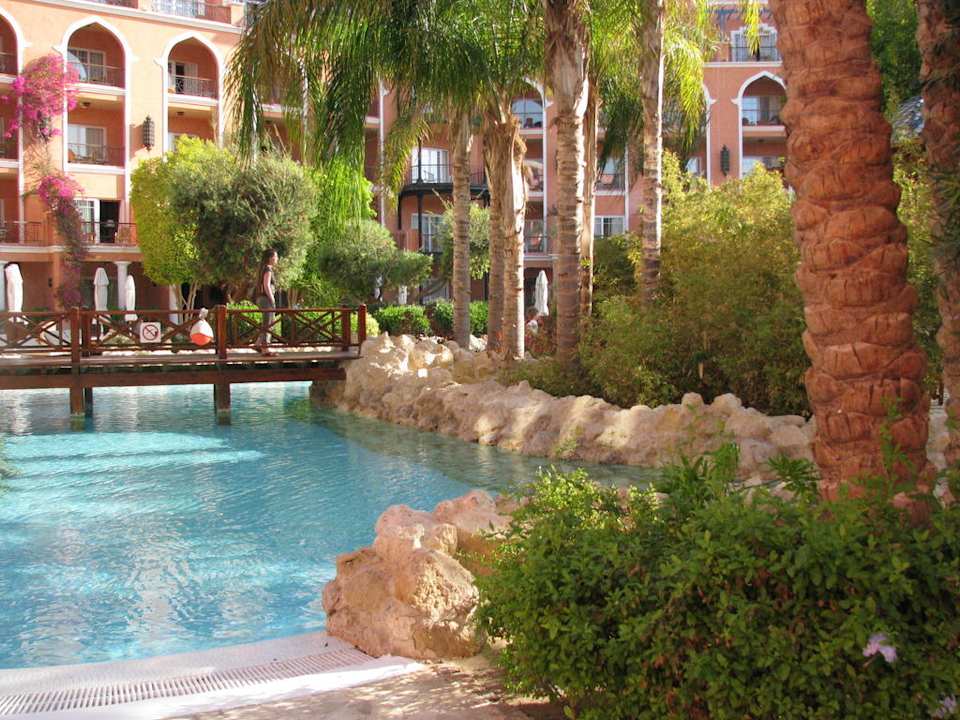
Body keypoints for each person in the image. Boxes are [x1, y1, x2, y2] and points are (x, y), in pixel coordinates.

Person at [255, 249, 278, 356]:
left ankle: (258, 344)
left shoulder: (263, 268)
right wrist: (272, 299)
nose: (277, 259)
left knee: (267, 322)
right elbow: (266, 285)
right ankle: (265, 348)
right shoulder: (268, 269)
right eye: (275, 256)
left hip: (261, 298)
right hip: (266, 299)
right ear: (270, 258)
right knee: (269, 323)